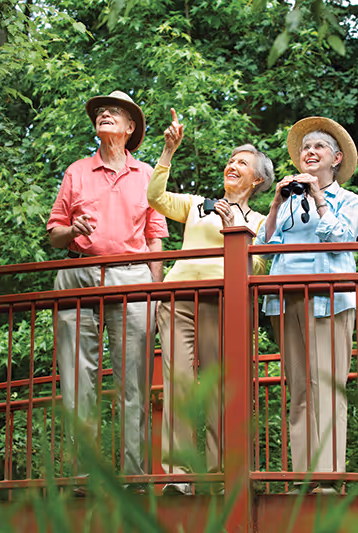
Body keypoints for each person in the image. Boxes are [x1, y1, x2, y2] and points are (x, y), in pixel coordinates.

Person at [47, 90, 169, 493]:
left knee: (132, 380)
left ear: (130, 127)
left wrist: (155, 287)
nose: (105, 115)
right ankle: (84, 477)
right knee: (77, 380)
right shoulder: (77, 170)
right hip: (77, 274)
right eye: (101, 112)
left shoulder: (148, 174)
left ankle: (134, 476)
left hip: (131, 276)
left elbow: (156, 238)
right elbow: (54, 234)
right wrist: (72, 231)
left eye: (114, 112)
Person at [148, 109, 274, 495]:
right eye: (231, 160)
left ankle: (225, 475)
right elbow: (155, 198)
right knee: (179, 385)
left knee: (222, 387)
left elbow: (258, 267)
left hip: (223, 305)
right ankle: (178, 475)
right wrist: (168, 152)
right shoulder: (198, 204)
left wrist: (234, 221)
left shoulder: (261, 221)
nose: (232, 165)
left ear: (258, 180)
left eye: (243, 163)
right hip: (178, 301)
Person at [255, 117, 358, 495]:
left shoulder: (348, 200)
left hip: (329, 299)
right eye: (305, 148)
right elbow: (261, 251)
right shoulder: (287, 202)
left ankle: (328, 478)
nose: (309, 152)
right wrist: (275, 204)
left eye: (318, 147)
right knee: (298, 389)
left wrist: (318, 199)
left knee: (328, 387)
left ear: (335, 159)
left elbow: (341, 241)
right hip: (285, 299)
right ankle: (302, 477)